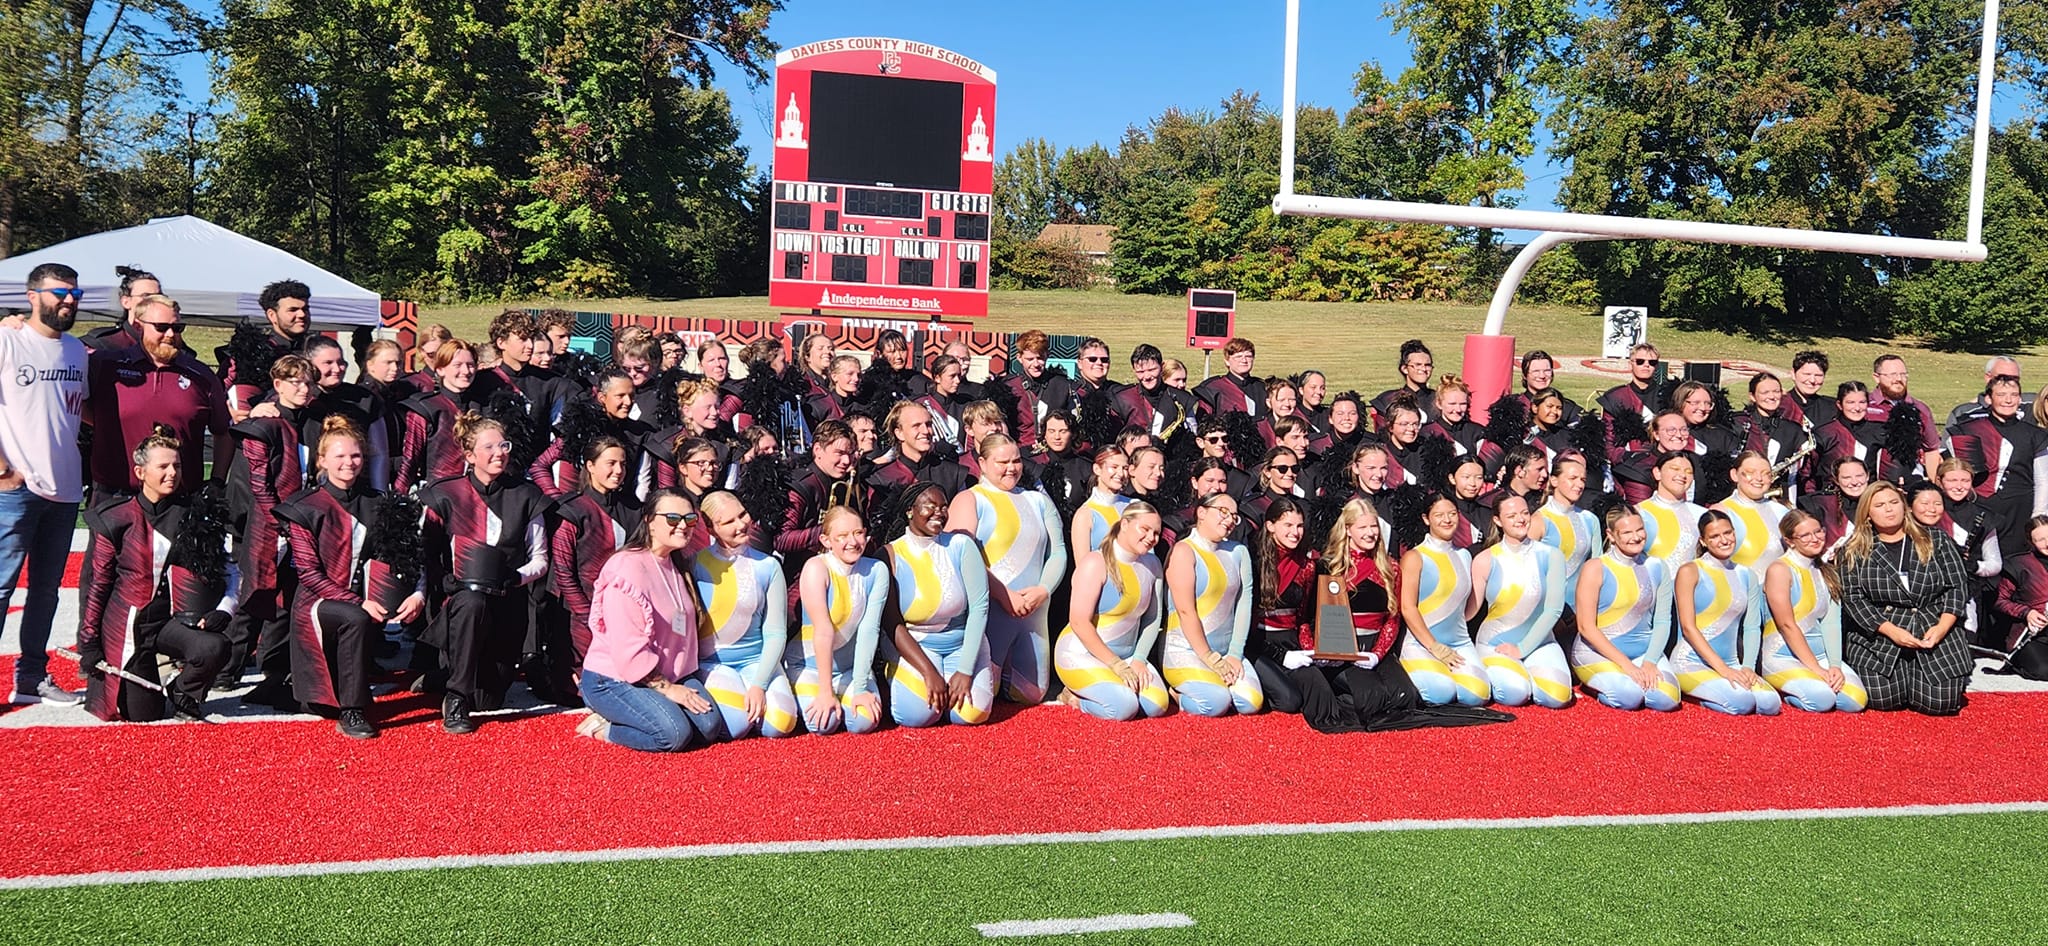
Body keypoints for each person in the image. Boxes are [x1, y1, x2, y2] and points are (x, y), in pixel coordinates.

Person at [277, 418, 425, 738]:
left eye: (356, 456)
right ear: (322, 460)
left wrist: (418, 593)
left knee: (359, 616)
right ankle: (352, 710)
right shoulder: (303, 507)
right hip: (316, 604)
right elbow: (309, 575)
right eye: (340, 456)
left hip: (362, 602)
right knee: (356, 617)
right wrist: (360, 601)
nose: (349, 463)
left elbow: (409, 557)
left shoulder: (377, 502)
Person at [78, 434, 234, 722]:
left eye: (176, 466)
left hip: (172, 623)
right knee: (141, 715)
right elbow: (97, 585)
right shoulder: (114, 518)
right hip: (128, 628)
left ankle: (183, 692)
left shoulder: (194, 515)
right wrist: (88, 642)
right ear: (140, 472)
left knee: (214, 646)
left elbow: (230, 571)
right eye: (162, 467)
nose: (172, 473)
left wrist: (223, 610)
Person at [418, 413, 553, 733]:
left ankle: (446, 677)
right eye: (489, 446)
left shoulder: (526, 494)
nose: (499, 452)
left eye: (503, 445)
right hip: (461, 604)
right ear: (469, 455)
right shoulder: (444, 493)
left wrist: (514, 578)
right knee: (472, 602)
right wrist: (434, 587)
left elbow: (541, 559)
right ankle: (455, 696)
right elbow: (425, 554)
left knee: (489, 700)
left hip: (507, 604)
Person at [575, 488, 729, 752]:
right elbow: (628, 649)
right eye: (672, 518)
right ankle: (604, 727)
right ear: (649, 521)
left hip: (673, 672)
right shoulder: (626, 568)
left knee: (708, 728)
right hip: (614, 678)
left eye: (689, 519)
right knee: (672, 735)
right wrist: (669, 690)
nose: (683, 525)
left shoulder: (676, 564)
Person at [0, 262, 88, 705]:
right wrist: (3, 470)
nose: (69, 300)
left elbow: (78, 410)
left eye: (76, 293)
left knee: (46, 591)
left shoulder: (76, 351)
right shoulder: (8, 339)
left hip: (65, 489)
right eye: (59, 292)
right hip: (15, 491)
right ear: (32, 295)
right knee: (1, 587)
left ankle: (31, 677)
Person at [219, 355, 320, 700]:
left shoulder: (315, 424)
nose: (303, 389)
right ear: (278, 385)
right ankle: (228, 666)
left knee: (286, 601)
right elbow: (249, 484)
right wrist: (271, 522)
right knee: (252, 595)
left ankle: (273, 669)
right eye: (295, 382)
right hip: (265, 524)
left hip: (301, 524)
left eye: (308, 382)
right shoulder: (264, 423)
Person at [948, 434, 1066, 704]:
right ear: (982, 463)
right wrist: (1003, 595)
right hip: (990, 612)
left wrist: (1043, 590)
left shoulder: (1038, 501)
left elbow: (1058, 551)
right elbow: (963, 558)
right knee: (978, 704)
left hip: (1033, 612)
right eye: (1002, 461)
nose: (1011, 467)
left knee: (1032, 695)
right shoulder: (970, 500)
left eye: (1016, 460)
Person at [1836, 480, 1972, 715]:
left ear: (1905, 506)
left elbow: (1957, 587)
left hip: (1933, 624)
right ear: (1867, 512)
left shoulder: (1936, 539)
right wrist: (1890, 631)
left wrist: (1941, 628)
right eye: (1879, 505)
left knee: (1939, 704)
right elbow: (1854, 599)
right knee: (1884, 701)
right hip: (1881, 634)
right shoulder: (1854, 549)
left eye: (1893, 502)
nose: (1889, 509)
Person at [882, 483, 995, 727]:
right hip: (917, 647)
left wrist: (965, 671)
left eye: (944, 507)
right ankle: (907, 677)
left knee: (970, 715)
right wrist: (928, 673)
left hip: (961, 644)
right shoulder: (890, 555)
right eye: (930, 507)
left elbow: (979, 608)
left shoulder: (962, 545)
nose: (939, 513)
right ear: (910, 511)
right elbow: (892, 624)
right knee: (917, 716)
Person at [690, 491, 798, 738]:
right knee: (736, 726)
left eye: (742, 515)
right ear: (710, 527)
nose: (741, 525)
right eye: (729, 522)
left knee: (781, 724)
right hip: (712, 663)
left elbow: (775, 632)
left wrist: (759, 684)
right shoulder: (694, 564)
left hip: (756, 661)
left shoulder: (768, 566)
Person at [1054, 500, 1170, 720]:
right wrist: (1115, 664)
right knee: (1123, 707)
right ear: (1124, 524)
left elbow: (1153, 618)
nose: (1151, 537)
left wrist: (1139, 659)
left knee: (1156, 705)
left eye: (1156, 533)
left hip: (1126, 657)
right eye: (1144, 529)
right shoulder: (1095, 562)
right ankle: (1074, 697)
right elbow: (1079, 621)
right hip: (1080, 653)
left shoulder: (1153, 565)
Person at [1670, 509, 1782, 715]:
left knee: (1770, 704)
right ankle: (1699, 696)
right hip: (1691, 661)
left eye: (1728, 533)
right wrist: (1722, 669)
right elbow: (1688, 627)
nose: (1724, 540)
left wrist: (1747, 667)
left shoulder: (1746, 574)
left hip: (1733, 662)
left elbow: (1751, 627)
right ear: (1703, 541)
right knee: (1742, 702)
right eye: (1714, 536)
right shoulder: (1690, 571)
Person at [791, 506, 891, 735]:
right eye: (842, 536)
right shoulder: (817, 568)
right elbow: (823, 631)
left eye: (858, 533)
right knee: (823, 724)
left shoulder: (876, 570)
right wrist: (825, 691)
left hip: (849, 667)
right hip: (809, 666)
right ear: (826, 540)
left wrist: (860, 686)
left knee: (864, 722)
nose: (852, 542)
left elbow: (869, 629)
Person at [1572, 504, 1682, 711]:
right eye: (1627, 532)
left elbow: (1662, 620)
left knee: (1666, 699)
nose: (1636, 537)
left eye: (1640, 530)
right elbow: (1586, 627)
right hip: (1596, 653)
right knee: (1628, 697)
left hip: (1643, 652)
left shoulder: (1658, 567)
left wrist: (1650, 662)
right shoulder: (1595, 568)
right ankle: (1594, 686)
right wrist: (1628, 666)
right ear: (1611, 535)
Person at [1162, 493, 1262, 716]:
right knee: (1215, 703)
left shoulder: (1238, 551)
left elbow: (1244, 603)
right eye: (1223, 512)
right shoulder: (1183, 550)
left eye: (1234, 516)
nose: (1229, 520)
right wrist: (1210, 659)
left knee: (1250, 702)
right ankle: (1177, 694)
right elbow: (1185, 611)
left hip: (1226, 651)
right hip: (1186, 650)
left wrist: (1235, 654)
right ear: (1202, 512)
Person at [550, 436, 642, 673]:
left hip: (625, 610)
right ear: (590, 466)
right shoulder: (571, 509)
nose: (619, 470)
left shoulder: (634, 508)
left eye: (623, 464)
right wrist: (587, 615)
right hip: (579, 614)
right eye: (610, 463)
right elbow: (563, 571)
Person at [1761, 511, 1870, 712]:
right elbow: (1787, 625)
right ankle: (1787, 694)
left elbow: (1831, 623)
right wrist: (1817, 670)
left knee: (1856, 700)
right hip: (1782, 656)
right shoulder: (1779, 569)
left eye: (1818, 531)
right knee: (1822, 700)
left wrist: (1834, 666)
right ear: (1790, 541)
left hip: (1821, 656)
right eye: (1805, 535)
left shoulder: (1826, 572)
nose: (1815, 538)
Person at [1470, 495, 1573, 708]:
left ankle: (1527, 671)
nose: (1520, 519)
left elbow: (1554, 610)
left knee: (1558, 697)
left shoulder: (1551, 555)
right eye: (1512, 515)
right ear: (1498, 521)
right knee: (1515, 694)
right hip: (1495, 643)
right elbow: (1469, 611)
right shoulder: (1485, 559)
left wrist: (1522, 649)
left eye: (1525, 513)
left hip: (1540, 642)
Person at [1398, 494, 1489, 705]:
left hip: (1458, 642)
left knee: (1477, 695)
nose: (1447, 520)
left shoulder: (1465, 555)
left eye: (1452, 514)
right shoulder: (1415, 557)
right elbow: (1407, 607)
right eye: (1439, 515)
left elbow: (1469, 603)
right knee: (1441, 693)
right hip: (1421, 644)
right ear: (1426, 519)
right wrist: (1434, 647)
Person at [1947, 374, 2047, 556]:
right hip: (1980, 506)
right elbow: (1956, 471)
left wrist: (2038, 515)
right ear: (1989, 398)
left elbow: (2043, 480)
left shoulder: (2035, 435)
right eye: (2001, 395)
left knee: (2016, 561)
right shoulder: (1968, 428)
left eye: (2014, 395)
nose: (2008, 400)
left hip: (2020, 510)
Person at [1249, 498, 1313, 714]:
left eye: (1299, 526)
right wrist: (1280, 656)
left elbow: (1304, 615)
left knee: (1315, 693)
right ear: (1270, 526)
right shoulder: (1253, 561)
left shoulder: (1306, 565)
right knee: (1289, 701)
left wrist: (1309, 647)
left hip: (1290, 639)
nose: (1295, 532)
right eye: (1288, 525)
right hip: (1258, 643)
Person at [220, 279, 311, 420]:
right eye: (292, 310)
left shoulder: (317, 350)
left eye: (305, 309)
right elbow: (219, 394)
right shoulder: (250, 352)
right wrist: (232, 414)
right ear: (272, 315)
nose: (302, 315)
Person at [396, 339, 479, 493]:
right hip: (438, 496)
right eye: (457, 365)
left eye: (470, 365)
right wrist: (397, 499)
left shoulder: (481, 407)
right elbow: (410, 461)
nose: (466, 371)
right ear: (440, 369)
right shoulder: (425, 408)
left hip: (475, 496)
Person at [867, 400, 971, 498]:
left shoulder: (953, 473)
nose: (925, 431)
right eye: (916, 426)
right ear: (899, 433)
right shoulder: (882, 478)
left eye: (928, 424)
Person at [1713, 451, 1791, 578]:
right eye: (1750, 472)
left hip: (1777, 592)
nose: (1759, 479)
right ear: (1734, 475)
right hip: (1736, 591)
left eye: (1766, 474)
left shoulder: (1781, 511)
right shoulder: (1721, 511)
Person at [1865, 354, 1942, 481]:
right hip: (1870, 483)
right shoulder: (1863, 405)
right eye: (1892, 374)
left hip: (1909, 481)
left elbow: (1931, 450)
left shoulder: (1920, 409)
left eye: (1903, 374)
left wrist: (1934, 484)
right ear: (1876, 377)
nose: (1898, 379)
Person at [1734, 372, 1808, 499]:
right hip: (1743, 493)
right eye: (1765, 392)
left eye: (1776, 391)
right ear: (1752, 396)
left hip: (1780, 497)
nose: (1772, 396)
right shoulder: (1738, 423)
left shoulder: (1792, 429)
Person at [1638, 451, 1704, 574]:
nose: (1682, 475)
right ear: (1657, 473)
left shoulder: (1700, 515)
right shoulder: (1638, 513)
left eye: (1688, 472)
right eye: (1675, 469)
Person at [1115, 344, 1197, 440]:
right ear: (1134, 370)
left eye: (1152, 370)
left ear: (1162, 367)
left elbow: (1193, 434)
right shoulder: (1122, 398)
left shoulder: (1182, 399)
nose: (1147, 376)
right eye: (1141, 372)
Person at [80, 264, 161, 351]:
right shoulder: (101, 345)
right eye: (145, 296)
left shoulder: (168, 341)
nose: (155, 301)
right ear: (126, 302)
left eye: (159, 296)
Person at [1070, 446, 1132, 553]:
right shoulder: (1085, 515)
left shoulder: (1134, 505)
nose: (1121, 474)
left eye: (1125, 468)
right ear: (1097, 469)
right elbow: (1083, 565)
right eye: (1114, 467)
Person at [1598, 341, 1669, 423]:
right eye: (1640, 361)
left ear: (1656, 366)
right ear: (1630, 364)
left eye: (1652, 362)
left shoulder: (1668, 395)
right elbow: (1609, 432)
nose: (1646, 365)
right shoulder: (1615, 397)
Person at [1195, 337, 1266, 418]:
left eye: (1248, 356)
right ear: (1227, 361)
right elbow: (1204, 422)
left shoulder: (1262, 387)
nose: (1244, 360)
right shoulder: (1212, 388)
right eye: (1238, 356)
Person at [1371, 340, 1436, 425]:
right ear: (1405, 369)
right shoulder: (1388, 400)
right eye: (1418, 365)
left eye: (1427, 365)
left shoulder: (1440, 399)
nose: (1424, 369)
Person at [1511, 350, 1582, 426]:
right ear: (1524, 375)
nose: (1542, 376)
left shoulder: (1569, 409)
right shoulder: (1513, 406)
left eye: (1547, 371)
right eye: (1536, 371)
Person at [1787, 350, 1836, 428]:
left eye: (1818, 375)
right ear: (1793, 374)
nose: (1812, 380)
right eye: (1807, 374)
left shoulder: (1833, 408)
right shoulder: (1780, 406)